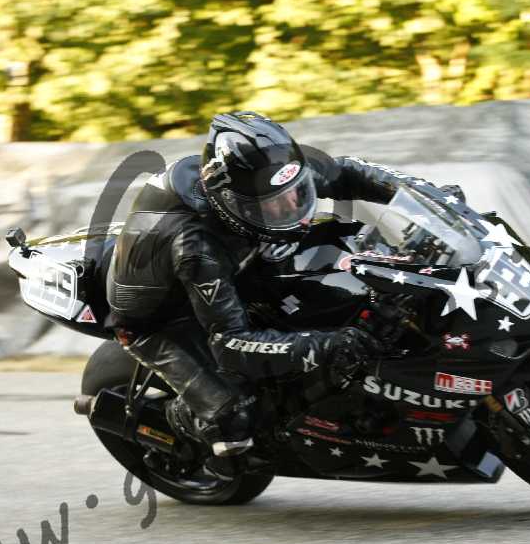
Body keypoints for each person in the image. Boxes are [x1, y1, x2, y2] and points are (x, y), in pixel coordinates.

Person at [106, 110, 457, 476]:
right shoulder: (197, 248)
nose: (292, 207)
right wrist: (331, 344)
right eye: (274, 205)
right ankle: (180, 423)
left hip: (231, 266)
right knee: (235, 415)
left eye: (297, 192)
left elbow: (347, 172)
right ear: (233, 204)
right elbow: (230, 343)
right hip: (160, 319)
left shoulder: (265, 173)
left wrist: (432, 201)